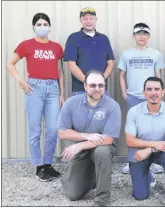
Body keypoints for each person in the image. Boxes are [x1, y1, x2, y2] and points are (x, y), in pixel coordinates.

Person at [7, 12, 64, 182]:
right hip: (34, 88)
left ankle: (48, 163)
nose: (42, 27)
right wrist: (21, 81)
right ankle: (39, 166)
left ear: (50, 26)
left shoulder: (56, 47)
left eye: (45, 24)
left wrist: (62, 93)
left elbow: (60, 71)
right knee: (35, 129)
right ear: (33, 27)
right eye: (38, 24)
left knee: (53, 129)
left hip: (53, 88)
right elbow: (10, 63)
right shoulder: (26, 45)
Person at [57, 70, 121, 206]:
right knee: (73, 194)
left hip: (103, 147)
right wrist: (85, 136)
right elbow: (62, 132)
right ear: (85, 86)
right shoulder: (71, 103)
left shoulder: (113, 106)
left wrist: (79, 145)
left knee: (102, 152)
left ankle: (102, 200)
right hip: (81, 152)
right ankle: (91, 176)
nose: (97, 89)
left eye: (101, 85)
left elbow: (109, 139)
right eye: (92, 85)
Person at [118, 22, 165, 175]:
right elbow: (121, 75)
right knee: (133, 130)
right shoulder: (126, 54)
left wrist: (157, 95)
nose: (142, 36)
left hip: (150, 97)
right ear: (134, 36)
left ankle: (153, 161)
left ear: (148, 36)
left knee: (151, 129)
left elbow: (158, 75)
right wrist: (125, 94)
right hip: (133, 97)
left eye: (145, 34)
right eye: (139, 33)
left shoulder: (155, 53)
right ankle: (132, 160)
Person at [125, 77, 165, 206]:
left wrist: (150, 149)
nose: (153, 93)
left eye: (157, 89)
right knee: (140, 196)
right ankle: (148, 176)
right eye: (149, 89)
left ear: (163, 92)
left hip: (162, 152)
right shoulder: (133, 112)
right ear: (144, 93)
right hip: (139, 153)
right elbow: (130, 141)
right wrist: (154, 145)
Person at [64, 7, 115, 96]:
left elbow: (110, 63)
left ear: (96, 19)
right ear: (81, 20)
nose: (88, 21)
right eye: (85, 19)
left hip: (102, 90)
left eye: (91, 18)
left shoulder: (104, 39)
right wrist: (88, 82)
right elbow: (71, 64)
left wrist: (100, 81)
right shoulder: (73, 38)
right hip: (80, 90)